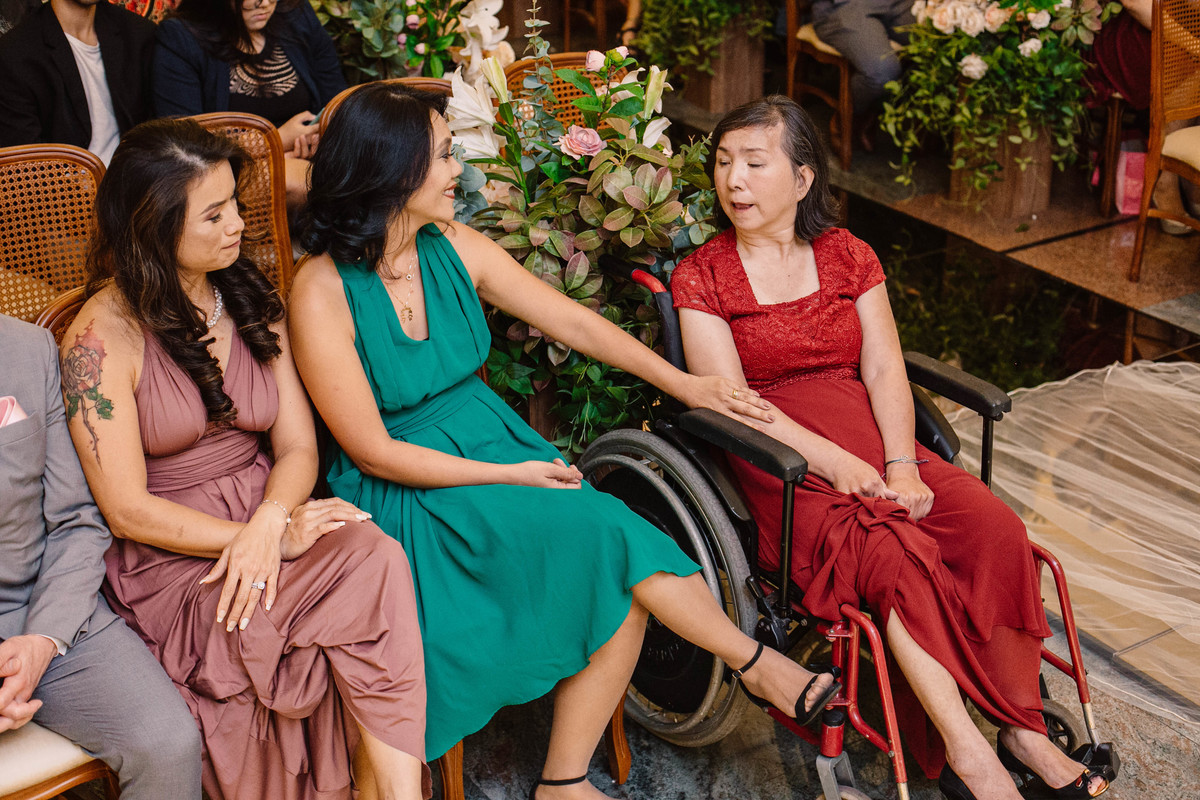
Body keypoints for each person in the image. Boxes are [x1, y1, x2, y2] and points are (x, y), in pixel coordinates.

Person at [288, 83, 842, 800]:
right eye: (445, 156)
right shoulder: (320, 291)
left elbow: (573, 322)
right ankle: (754, 667)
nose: (459, 170)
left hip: (490, 439)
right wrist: (512, 475)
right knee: (612, 548)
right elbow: (371, 452)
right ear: (393, 170)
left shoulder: (452, 246)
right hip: (408, 487)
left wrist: (683, 383)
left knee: (618, 549)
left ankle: (567, 778)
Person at [671, 95, 1113, 800]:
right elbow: (733, 402)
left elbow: (883, 367)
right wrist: (837, 464)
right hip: (782, 464)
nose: (734, 180)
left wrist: (901, 464)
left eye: (754, 163)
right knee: (892, 556)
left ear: (804, 178)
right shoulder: (703, 274)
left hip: (875, 440)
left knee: (995, 528)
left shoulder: (849, 255)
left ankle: (1021, 726)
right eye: (724, 163)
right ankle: (970, 755)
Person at [61, 117, 430, 800]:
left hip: (269, 514)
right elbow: (126, 510)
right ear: (154, 227)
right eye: (214, 214)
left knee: (373, 554)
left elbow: (297, 446)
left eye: (234, 202)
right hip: (175, 559)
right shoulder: (99, 338)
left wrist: (271, 523)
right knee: (357, 582)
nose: (237, 224)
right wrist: (253, 540)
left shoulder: (244, 291)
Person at [0, 313, 203, 799]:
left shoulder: (29, 349)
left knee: (168, 745)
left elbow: (76, 519)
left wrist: (43, 639)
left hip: (41, 606)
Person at [153, 0, 347, 207]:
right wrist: (276, 142)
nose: (264, 3)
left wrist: (319, 135)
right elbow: (182, 146)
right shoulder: (181, 37)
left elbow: (336, 98)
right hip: (224, 172)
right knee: (321, 185)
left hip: (309, 158)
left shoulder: (295, 14)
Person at [1088, 0, 1199, 232]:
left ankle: (1189, 176)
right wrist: (1195, 47)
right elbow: (1136, 5)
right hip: (1133, 30)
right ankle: (1167, 178)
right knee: (1192, 67)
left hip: (1184, 23)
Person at [0, 0, 155, 165]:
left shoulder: (139, 33)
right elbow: (26, 164)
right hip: (63, 179)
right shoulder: (15, 54)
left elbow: (158, 134)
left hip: (137, 176)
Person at [811, 0, 912, 150]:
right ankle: (850, 115)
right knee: (882, 70)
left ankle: (878, 110)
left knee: (939, 42)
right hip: (844, 5)